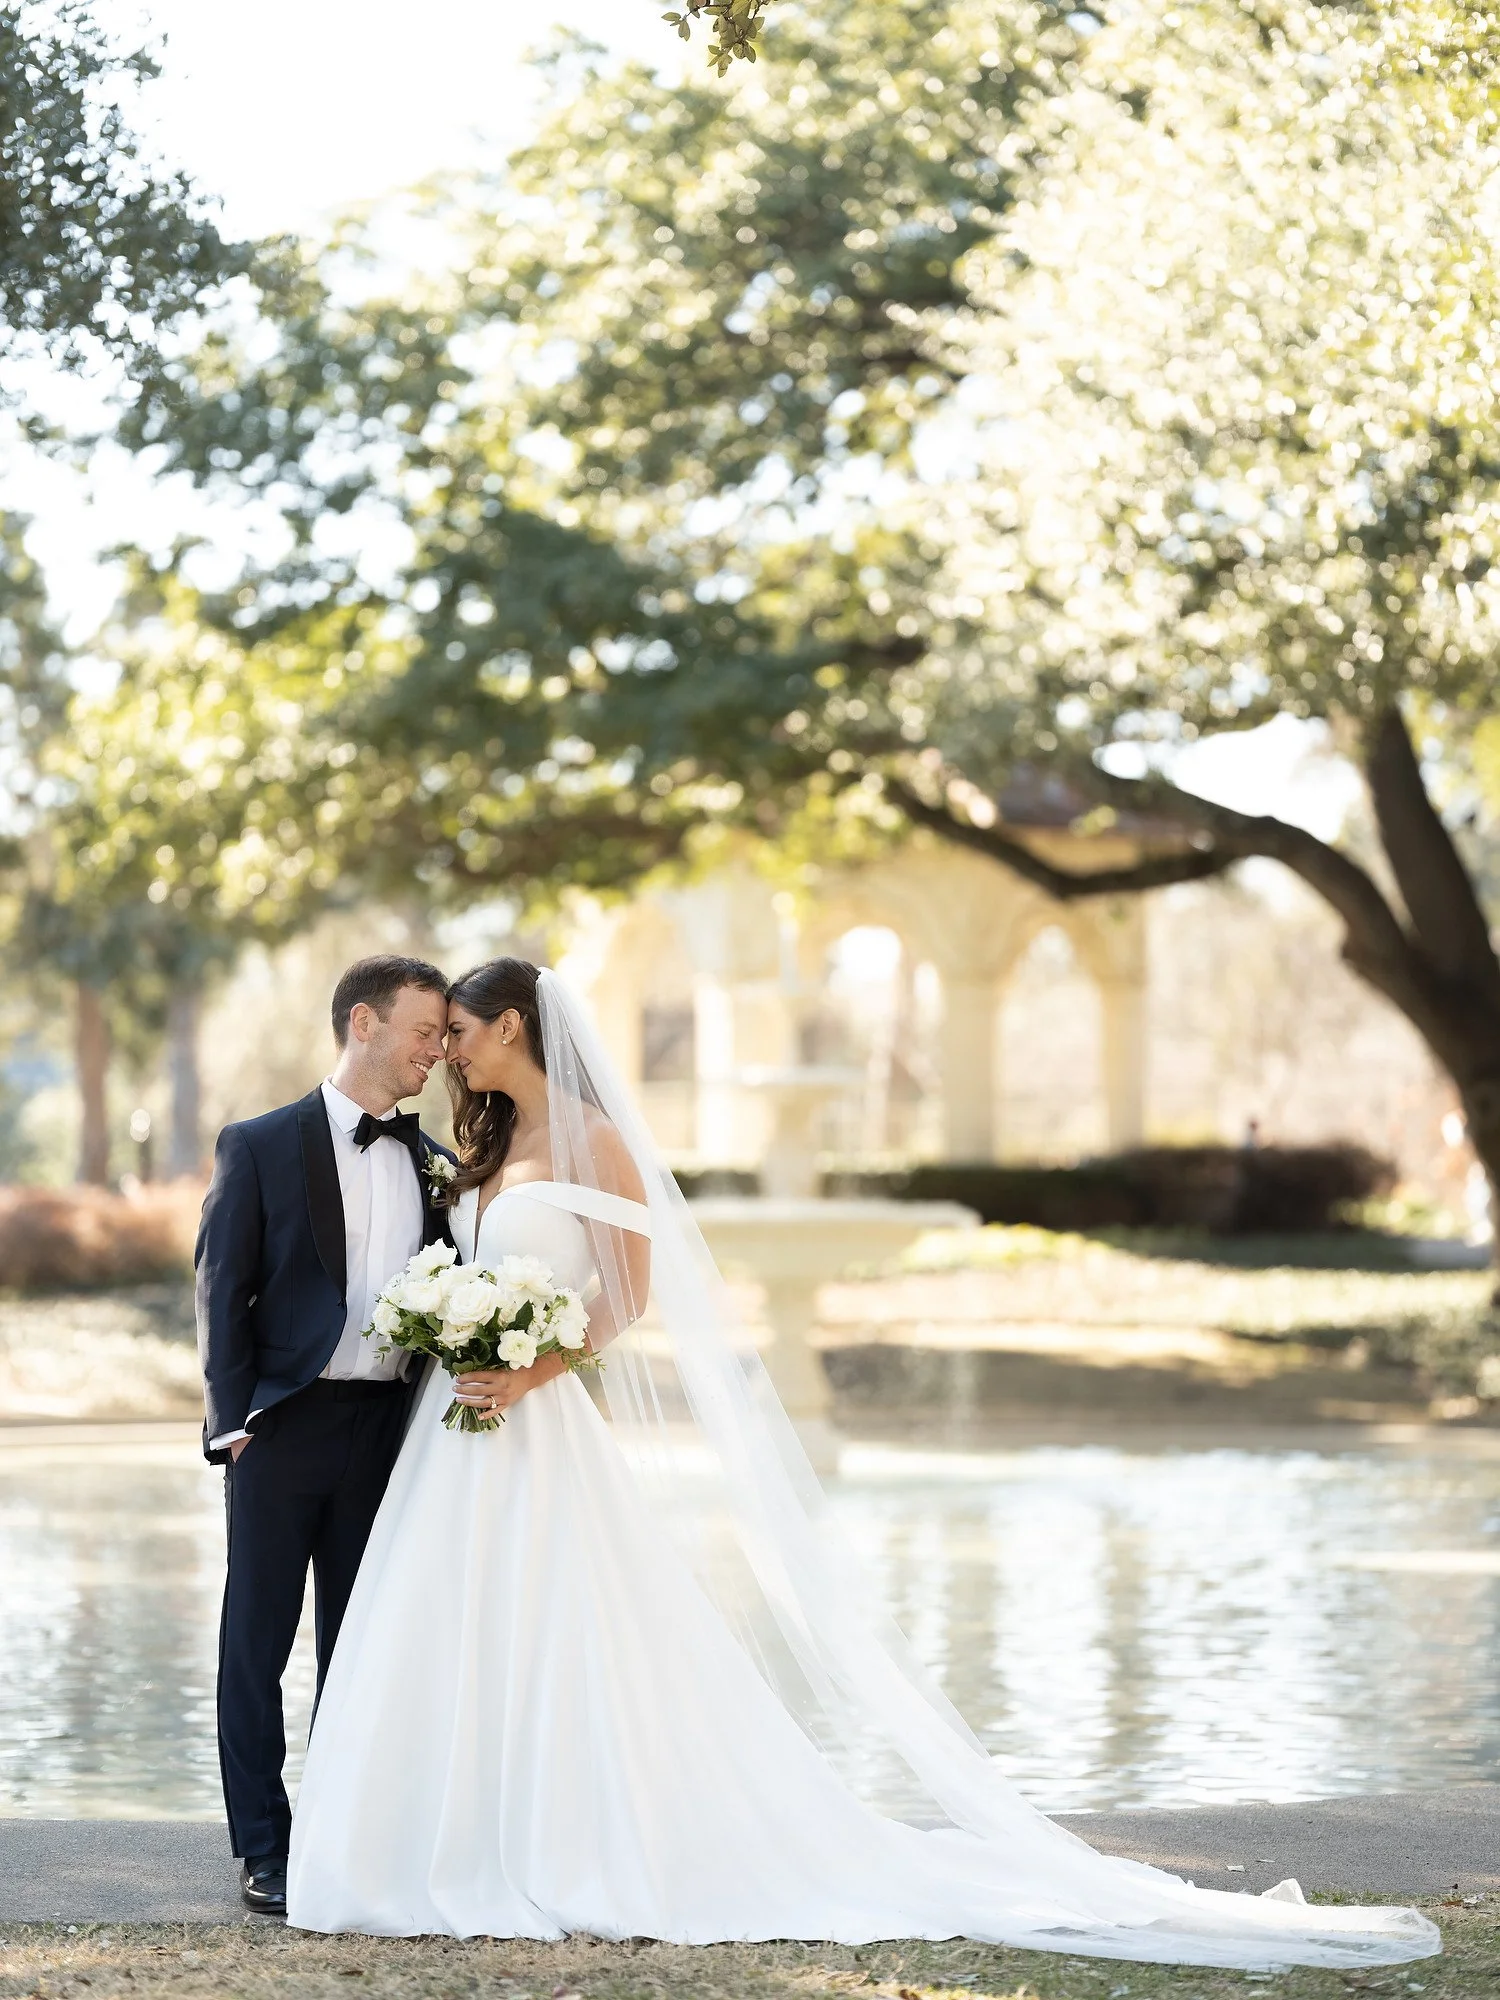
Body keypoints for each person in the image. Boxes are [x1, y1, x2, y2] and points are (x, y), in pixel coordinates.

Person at [284, 958, 1438, 1969]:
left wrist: (532, 1368)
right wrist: (457, 1335)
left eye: (461, 1031)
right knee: (444, 1623)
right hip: (453, 1430)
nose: (446, 1050)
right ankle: (440, 1835)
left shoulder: (602, 1144)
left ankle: (567, 1838)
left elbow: (629, 1294)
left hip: (537, 1425)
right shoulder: (477, 1147)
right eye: (434, 1035)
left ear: (514, 1029)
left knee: (564, 1630)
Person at [196, 954, 455, 1915]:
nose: (439, 1050)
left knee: (360, 1646)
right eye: (425, 1030)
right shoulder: (259, 1144)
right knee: (256, 1643)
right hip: (282, 1426)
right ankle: (264, 1848)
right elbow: (220, 1292)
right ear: (363, 1023)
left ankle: (344, 1836)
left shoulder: (436, 1163)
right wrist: (232, 1429)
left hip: (388, 1432)